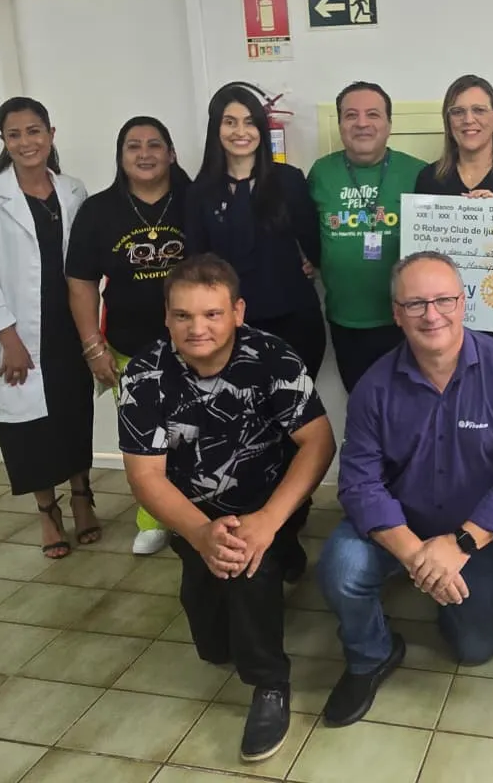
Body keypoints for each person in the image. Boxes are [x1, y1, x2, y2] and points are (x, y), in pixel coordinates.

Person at [118, 253, 336, 762]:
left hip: (269, 505)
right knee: (214, 646)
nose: (198, 328)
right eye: (184, 316)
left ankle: (270, 685)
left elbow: (319, 444)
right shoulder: (145, 374)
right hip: (192, 516)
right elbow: (144, 475)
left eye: (212, 314)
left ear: (237, 311)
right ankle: (265, 560)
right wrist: (199, 534)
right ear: (167, 317)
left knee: (249, 570)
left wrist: (266, 524)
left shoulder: (273, 358)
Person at [316, 250, 493, 727]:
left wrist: (460, 544)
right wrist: (418, 558)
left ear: (464, 303)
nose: (432, 314)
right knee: (340, 567)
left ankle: (449, 590)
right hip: (400, 526)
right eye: (416, 304)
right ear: (397, 314)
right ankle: (370, 654)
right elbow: (359, 481)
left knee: (475, 648)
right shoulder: (374, 386)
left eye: (444, 299)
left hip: (477, 531)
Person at [0, 96, 99, 559]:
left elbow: (86, 263)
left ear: (51, 134)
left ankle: (82, 496)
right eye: (15, 134)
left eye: (34, 131)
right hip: (16, 333)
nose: (26, 142)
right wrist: (9, 339)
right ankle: (47, 511)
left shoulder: (73, 191)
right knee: (29, 428)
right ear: (3, 141)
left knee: (73, 414)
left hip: (67, 325)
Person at [66, 115, 191, 556]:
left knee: (201, 433)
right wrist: (91, 346)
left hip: (198, 348)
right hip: (128, 349)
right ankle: (153, 518)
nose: (144, 154)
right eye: (133, 146)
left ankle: (200, 514)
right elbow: (81, 282)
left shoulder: (195, 201)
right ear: (121, 158)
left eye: (155, 144)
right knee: (147, 439)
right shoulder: (99, 212)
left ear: (171, 154)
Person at [186, 83, 325, 380]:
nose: (241, 132)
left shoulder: (289, 181)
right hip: (230, 328)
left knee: (296, 418)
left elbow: (314, 246)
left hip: (295, 321)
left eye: (250, 122)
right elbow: (197, 264)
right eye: (230, 122)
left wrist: (309, 262)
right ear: (216, 129)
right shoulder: (200, 193)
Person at [413, 74, 493, 369]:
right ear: (448, 123)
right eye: (457, 112)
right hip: (445, 323)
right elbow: (420, 260)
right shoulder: (430, 179)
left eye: (479, 110)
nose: (468, 119)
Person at [306, 81, 427, 392]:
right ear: (340, 124)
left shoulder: (419, 173)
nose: (361, 123)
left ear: (388, 123)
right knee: (361, 404)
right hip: (346, 320)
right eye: (351, 115)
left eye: (373, 114)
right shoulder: (320, 173)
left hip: (407, 319)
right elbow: (301, 225)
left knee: (411, 407)